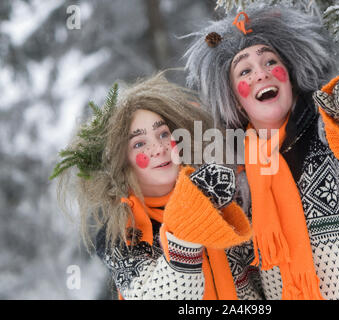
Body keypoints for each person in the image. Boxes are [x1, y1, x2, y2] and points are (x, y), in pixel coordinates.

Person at [184, 5, 339, 299]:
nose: (261, 74)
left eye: (270, 61)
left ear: (290, 78)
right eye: (245, 70)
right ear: (235, 100)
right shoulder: (237, 180)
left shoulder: (337, 129)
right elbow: (245, 283)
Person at [52, 73, 263, 300]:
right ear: (123, 162)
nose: (159, 148)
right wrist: (189, 218)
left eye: (163, 134)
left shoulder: (221, 195)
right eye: (140, 143)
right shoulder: (119, 236)